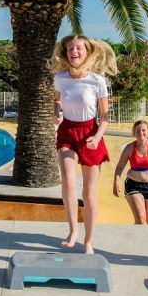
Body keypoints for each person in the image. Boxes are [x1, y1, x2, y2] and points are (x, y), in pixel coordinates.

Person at [49, 35, 117, 254]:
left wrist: (97, 138)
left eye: (78, 48)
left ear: (87, 52)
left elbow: (105, 117)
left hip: (90, 134)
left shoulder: (97, 81)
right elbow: (57, 100)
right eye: (70, 48)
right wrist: (56, 112)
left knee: (89, 194)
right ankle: (73, 231)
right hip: (67, 132)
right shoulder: (60, 78)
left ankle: (88, 241)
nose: (74, 52)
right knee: (68, 181)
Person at [113, 120, 148, 225]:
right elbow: (120, 167)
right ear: (134, 133)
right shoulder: (129, 148)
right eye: (138, 130)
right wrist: (116, 182)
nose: (141, 133)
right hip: (133, 185)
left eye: (143, 130)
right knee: (140, 220)